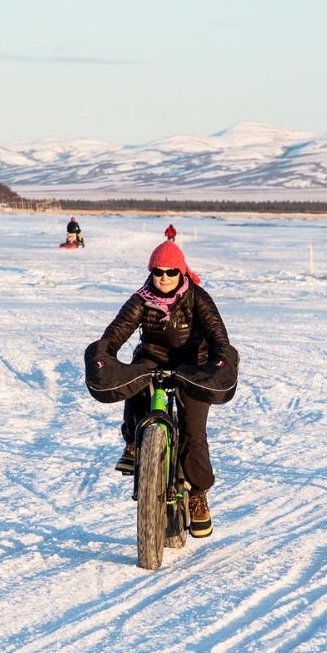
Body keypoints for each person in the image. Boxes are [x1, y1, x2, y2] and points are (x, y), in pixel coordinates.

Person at [98, 228, 230, 537]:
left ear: (181, 271)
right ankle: (134, 444)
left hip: (193, 364)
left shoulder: (197, 298)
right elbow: (117, 330)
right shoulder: (142, 299)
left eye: (171, 271)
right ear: (151, 272)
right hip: (154, 357)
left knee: (194, 431)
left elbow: (217, 335)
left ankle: (198, 495)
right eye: (158, 272)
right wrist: (105, 354)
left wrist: (219, 361)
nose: (164, 277)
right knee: (136, 378)